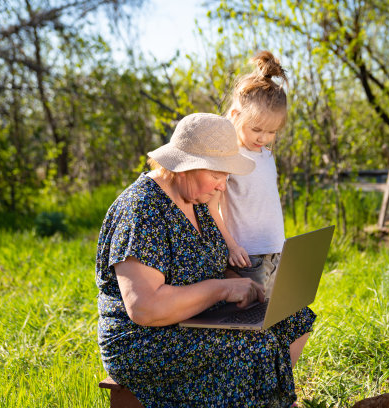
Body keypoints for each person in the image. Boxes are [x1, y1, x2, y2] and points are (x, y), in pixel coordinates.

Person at [95, 112, 316, 407]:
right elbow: (145, 308)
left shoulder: (195, 201)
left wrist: (253, 286)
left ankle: (267, 400)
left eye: (226, 176)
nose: (223, 186)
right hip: (143, 340)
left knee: (294, 317)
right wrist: (222, 290)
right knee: (252, 348)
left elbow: (206, 264)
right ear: (185, 167)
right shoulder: (141, 209)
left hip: (193, 318)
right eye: (216, 175)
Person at [208, 50, 289, 297]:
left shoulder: (266, 156)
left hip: (276, 250)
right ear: (235, 116)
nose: (263, 138)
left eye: (272, 132)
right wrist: (231, 246)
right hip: (247, 256)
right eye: (256, 129)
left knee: (278, 313)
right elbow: (213, 207)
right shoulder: (229, 157)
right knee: (253, 317)